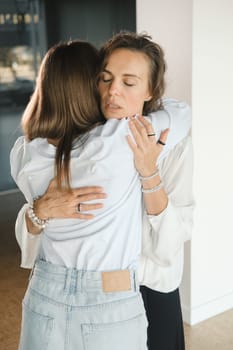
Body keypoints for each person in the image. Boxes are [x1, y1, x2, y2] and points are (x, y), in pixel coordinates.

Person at [12, 32, 194, 350]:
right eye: (104, 78)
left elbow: (170, 245)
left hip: (148, 287)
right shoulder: (83, 136)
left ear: (150, 89)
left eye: (129, 82)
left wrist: (150, 174)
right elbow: (31, 234)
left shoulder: (173, 144)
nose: (112, 91)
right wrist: (39, 210)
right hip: (71, 284)